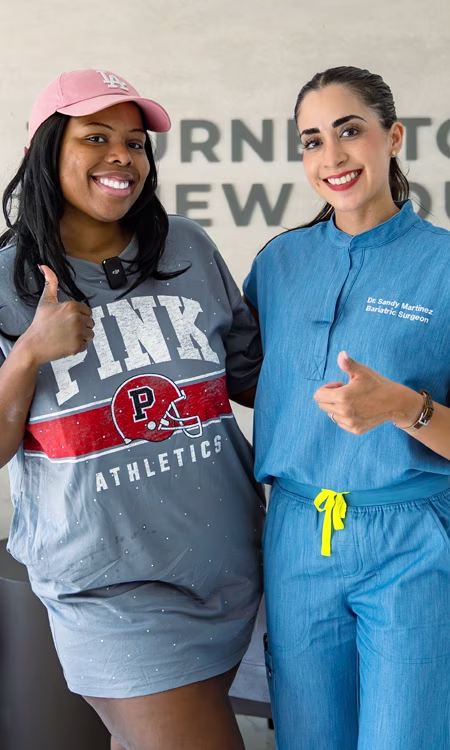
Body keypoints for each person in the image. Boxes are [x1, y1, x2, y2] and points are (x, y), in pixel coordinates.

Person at [0, 68, 265, 750]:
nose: (124, 155)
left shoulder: (188, 248)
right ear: (44, 151)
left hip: (238, 565)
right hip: (115, 590)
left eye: (136, 142)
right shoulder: (6, 284)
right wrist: (28, 353)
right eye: (96, 137)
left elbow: (252, 378)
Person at [243, 66, 450, 750]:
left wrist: (403, 406)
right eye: (311, 140)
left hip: (410, 540)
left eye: (349, 131)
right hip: (299, 534)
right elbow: (247, 379)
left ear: (392, 137)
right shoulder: (278, 264)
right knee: (308, 739)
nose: (331, 156)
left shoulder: (444, 266)